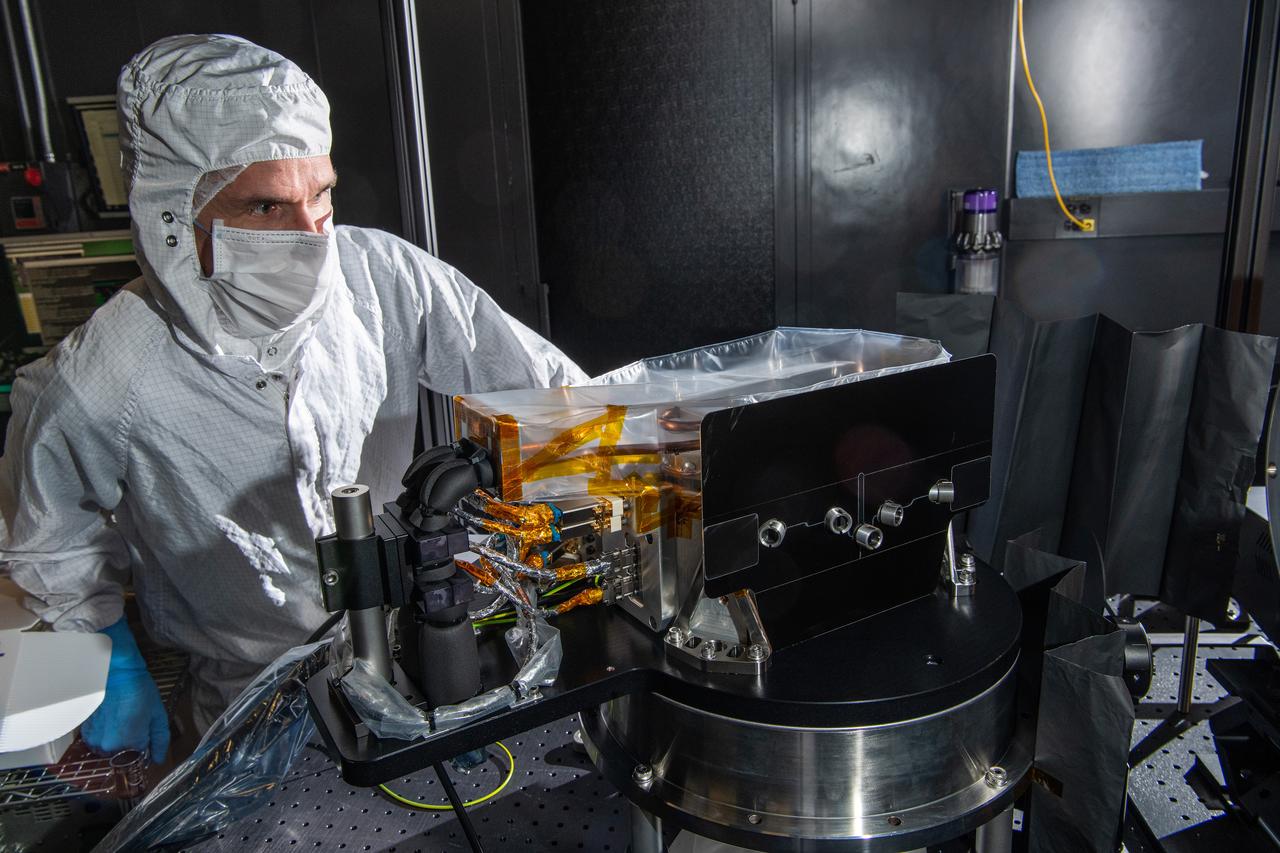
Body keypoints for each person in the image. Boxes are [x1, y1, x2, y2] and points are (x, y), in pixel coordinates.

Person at [0, 34, 586, 763]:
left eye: (322, 194)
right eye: (268, 206)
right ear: (174, 218)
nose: (311, 235)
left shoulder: (380, 278)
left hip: (414, 656)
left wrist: (614, 482)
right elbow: (50, 536)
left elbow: (552, 393)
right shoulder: (101, 379)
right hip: (246, 704)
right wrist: (108, 653)